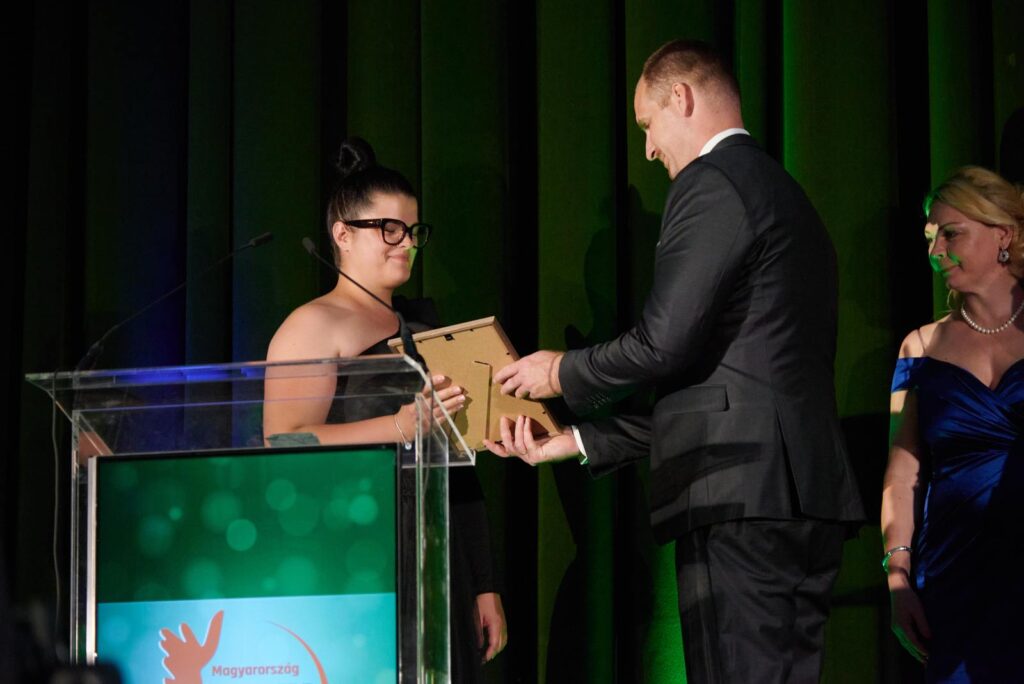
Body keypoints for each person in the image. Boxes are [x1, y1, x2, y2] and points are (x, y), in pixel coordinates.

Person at [486, 40, 863, 683]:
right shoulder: (785, 193)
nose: (649, 149)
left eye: (647, 124)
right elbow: (728, 388)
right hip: (790, 495)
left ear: (681, 98)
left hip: (741, 497)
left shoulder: (712, 182)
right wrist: (578, 441)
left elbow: (664, 344)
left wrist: (557, 372)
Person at [264, 137, 507, 682]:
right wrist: (397, 426)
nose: (407, 244)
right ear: (343, 235)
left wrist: (483, 583)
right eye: (389, 230)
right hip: (358, 552)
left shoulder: (425, 328)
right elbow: (282, 441)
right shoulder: (314, 324)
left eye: (414, 232)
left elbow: (459, 463)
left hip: (438, 551)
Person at [882, 166, 1024, 683]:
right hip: (954, 571)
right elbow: (903, 473)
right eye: (930, 237)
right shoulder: (920, 346)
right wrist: (898, 574)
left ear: (1002, 234)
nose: (935, 251)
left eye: (951, 233)